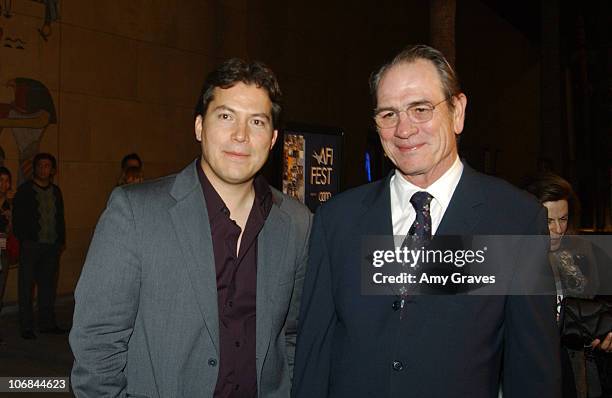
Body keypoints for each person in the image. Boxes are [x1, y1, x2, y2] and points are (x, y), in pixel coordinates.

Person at [292, 44, 560, 398]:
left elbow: (533, 373)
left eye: (420, 109)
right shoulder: (336, 220)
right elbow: (315, 353)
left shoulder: (514, 219)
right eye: (388, 114)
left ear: (457, 111)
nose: (404, 129)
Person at [70, 58, 312, 397]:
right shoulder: (135, 212)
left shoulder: (298, 224)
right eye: (225, 116)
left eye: (256, 122)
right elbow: (97, 344)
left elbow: (294, 335)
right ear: (199, 126)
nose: (240, 135)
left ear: (272, 139)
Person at [526, 172, 612, 398]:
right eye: (548, 220)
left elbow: (596, 309)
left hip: (580, 375)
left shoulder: (584, 255)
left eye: (562, 219)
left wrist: (603, 331)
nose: (557, 229)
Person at [13, 152, 66, 339]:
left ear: (52, 170)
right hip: (31, 246)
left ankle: (47, 323)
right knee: (26, 287)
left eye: (47, 166)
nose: (44, 169)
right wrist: (24, 240)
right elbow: (17, 218)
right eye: (40, 165)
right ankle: (26, 326)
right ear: (35, 168)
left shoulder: (56, 191)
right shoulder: (25, 190)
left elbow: (60, 218)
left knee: (48, 287)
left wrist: (61, 242)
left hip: (51, 247)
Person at [0, 166, 13, 345]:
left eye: (6, 180)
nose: (3, 184)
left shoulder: (10, 203)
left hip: (2, 251)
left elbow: (12, 232)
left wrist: (10, 218)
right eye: (0, 180)